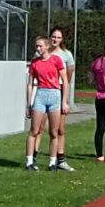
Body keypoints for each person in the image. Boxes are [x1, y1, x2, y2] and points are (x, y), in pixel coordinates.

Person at [23, 35, 69, 171]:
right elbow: (30, 84)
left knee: (54, 132)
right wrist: (29, 104)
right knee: (34, 130)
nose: (38, 48)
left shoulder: (56, 60)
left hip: (54, 95)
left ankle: (52, 162)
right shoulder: (35, 63)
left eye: (40, 46)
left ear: (47, 46)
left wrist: (64, 101)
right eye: (36, 46)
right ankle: (29, 161)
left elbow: (65, 81)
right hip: (41, 95)